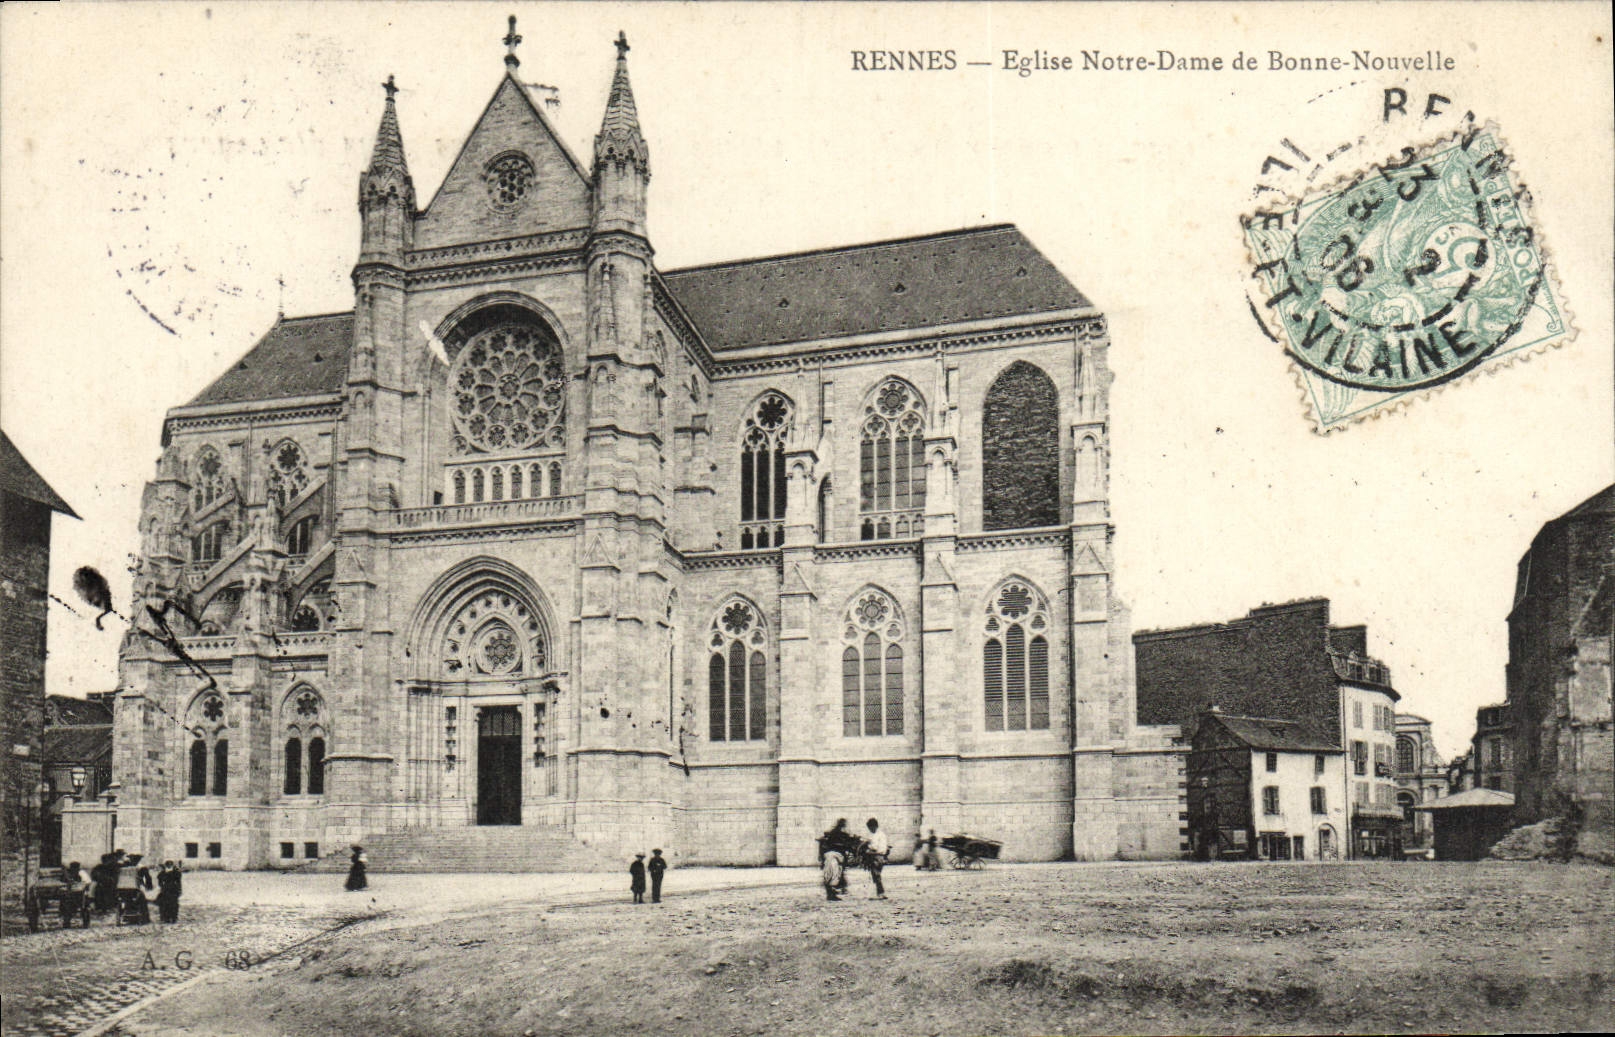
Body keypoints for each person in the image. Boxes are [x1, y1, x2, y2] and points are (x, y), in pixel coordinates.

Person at [818, 818, 857, 902]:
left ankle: (832, 892)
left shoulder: (830, 834)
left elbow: (823, 844)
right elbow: (849, 845)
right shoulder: (843, 835)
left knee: (830, 873)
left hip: (829, 855)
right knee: (835, 874)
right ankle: (832, 894)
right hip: (836, 856)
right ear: (843, 826)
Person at [116, 853, 153, 924]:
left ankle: (142, 918)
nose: (134, 860)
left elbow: (148, 878)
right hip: (127, 886)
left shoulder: (141, 867)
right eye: (133, 859)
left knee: (141, 897)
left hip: (136, 886)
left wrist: (148, 886)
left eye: (135, 859)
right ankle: (133, 916)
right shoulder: (126, 867)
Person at [863, 818, 889, 899]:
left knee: (876, 875)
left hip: (877, 856)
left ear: (874, 826)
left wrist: (868, 847)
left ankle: (881, 893)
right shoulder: (878, 834)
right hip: (878, 856)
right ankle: (879, 893)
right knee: (876, 875)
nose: (870, 830)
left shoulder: (878, 835)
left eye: (870, 828)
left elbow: (875, 847)